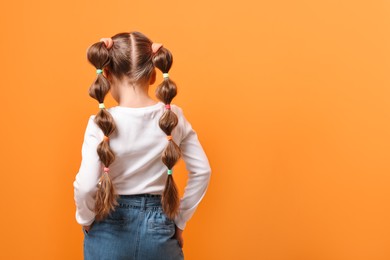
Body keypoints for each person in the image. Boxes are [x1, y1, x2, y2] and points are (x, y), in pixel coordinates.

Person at [73, 31, 211, 260]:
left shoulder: (100, 122)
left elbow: (86, 186)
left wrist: (86, 220)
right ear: (153, 75)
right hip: (160, 228)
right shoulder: (173, 117)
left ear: (106, 73)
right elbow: (203, 171)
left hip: (108, 225)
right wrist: (180, 221)